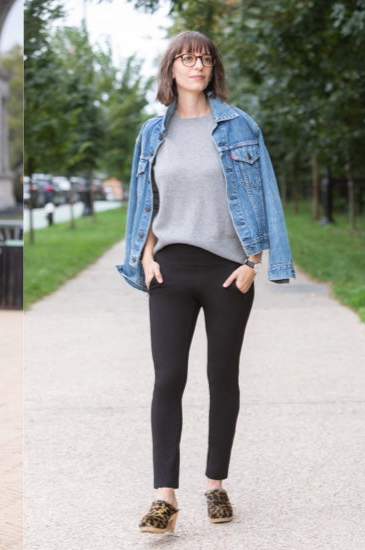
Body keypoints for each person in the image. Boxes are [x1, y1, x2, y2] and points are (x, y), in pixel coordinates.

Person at [116, 30, 294, 534]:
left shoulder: (239, 127)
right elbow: (143, 202)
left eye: (205, 59)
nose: (198, 66)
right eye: (187, 58)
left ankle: (215, 485)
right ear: (170, 68)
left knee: (222, 377)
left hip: (227, 273)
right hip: (169, 270)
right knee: (168, 378)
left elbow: (265, 197)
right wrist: (146, 257)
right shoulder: (152, 133)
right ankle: (164, 499)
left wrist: (252, 262)